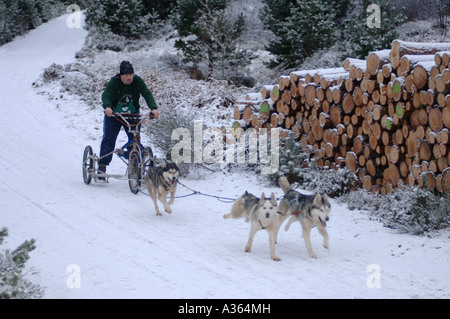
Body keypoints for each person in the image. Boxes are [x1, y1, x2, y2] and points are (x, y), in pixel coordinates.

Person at [98, 61, 159, 177]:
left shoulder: (137, 81)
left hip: (132, 115)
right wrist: (107, 107)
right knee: (109, 138)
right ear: (121, 75)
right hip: (114, 115)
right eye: (126, 75)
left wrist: (153, 108)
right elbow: (106, 95)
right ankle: (102, 166)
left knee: (134, 139)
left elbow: (146, 93)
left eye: (130, 75)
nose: (129, 78)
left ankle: (135, 165)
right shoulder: (114, 82)